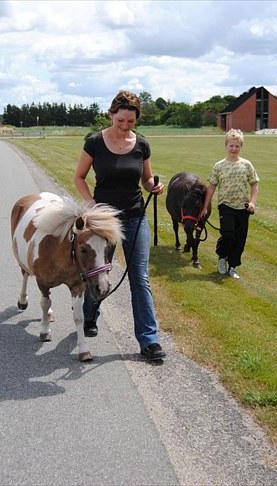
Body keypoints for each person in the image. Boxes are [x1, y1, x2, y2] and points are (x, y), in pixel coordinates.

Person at [73, 90, 166, 361]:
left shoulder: (142, 145)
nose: (125, 127)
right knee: (98, 270)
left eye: (131, 122)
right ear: (111, 115)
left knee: (140, 277)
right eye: (120, 121)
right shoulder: (94, 142)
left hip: (135, 217)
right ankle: (90, 315)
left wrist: (154, 186)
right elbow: (79, 177)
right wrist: (91, 203)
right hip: (104, 221)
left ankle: (149, 341)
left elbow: (146, 180)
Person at [201, 128, 260, 279]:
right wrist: (205, 207)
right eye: (231, 146)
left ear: (241, 147)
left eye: (237, 146)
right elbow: (212, 186)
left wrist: (252, 203)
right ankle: (222, 258)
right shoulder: (219, 166)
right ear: (226, 146)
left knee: (240, 239)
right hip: (225, 205)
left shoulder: (246, 165)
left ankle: (233, 266)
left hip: (243, 207)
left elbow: (254, 184)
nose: (234, 149)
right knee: (228, 235)